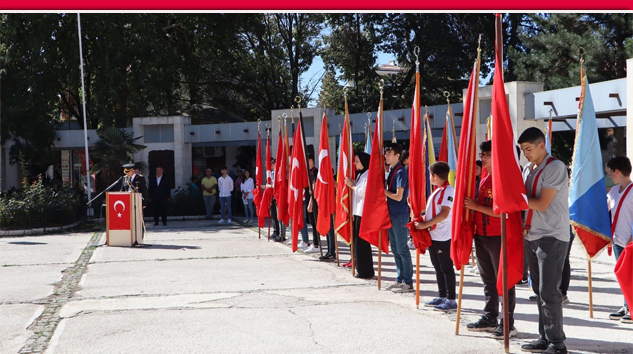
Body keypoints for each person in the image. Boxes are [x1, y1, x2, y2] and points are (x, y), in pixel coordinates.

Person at [518, 127, 569, 354]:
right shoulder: (528, 169)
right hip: (532, 234)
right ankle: (545, 338)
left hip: (552, 235)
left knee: (549, 292)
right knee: (539, 292)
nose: (525, 154)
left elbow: (540, 204)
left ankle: (557, 344)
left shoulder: (555, 167)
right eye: (522, 150)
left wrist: (513, 198)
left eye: (528, 149)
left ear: (542, 146)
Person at [464, 141, 518, 337]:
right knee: (488, 280)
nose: (483, 158)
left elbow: (504, 213)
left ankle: (507, 323)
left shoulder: (505, 180)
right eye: (482, 154)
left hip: (498, 236)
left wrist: (475, 207)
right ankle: (490, 317)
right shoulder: (485, 178)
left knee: (504, 281)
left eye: (487, 154)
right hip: (482, 236)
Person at [415, 161, 456, 310]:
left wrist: (425, 224)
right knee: (437, 266)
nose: (430, 177)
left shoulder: (448, 191)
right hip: (434, 234)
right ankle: (442, 296)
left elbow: (444, 213)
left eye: (430, 175)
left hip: (443, 235)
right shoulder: (438, 190)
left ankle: (451, 300)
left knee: (446, 267)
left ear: (436, 176)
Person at [606, 156, 633, 324]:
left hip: (631, 242)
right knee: (622, 276)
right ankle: (626, 305)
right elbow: (604, 210)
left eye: (610, 173)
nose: (610, 176)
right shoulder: (614, 191)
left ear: (617, 171)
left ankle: (632, 307)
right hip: (617, 241)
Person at [384, 143, 413, 293]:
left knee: (402, 248)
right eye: (386, 153)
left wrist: (383, 192)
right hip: (391, 214)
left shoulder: (400, 171)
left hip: (399, 214)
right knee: (395, 248)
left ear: (397, 155)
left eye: (389, 153)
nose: (386, 156)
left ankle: (408, 282)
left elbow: (398, 196)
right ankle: (400, 279)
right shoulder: (392, 171)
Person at [345, 152, 374, 278]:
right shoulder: (360, 175)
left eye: (357, 160)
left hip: (363, 212)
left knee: (362, 243)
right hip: (357, 211)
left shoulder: (368, 174)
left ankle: (365, 271)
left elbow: (364, 191)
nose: (355, 163)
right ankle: (361, 268)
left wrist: (352, 186)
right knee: (357, 241)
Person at [304, 153, 321, 254]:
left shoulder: (315, 172)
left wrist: (311, 201)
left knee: (315, 223)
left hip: (313, 200)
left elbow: (314, 188)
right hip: (309, 199)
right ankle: (315, 243)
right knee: (312, 222)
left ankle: (316, 244)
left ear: (310, 160)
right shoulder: (309, 172)